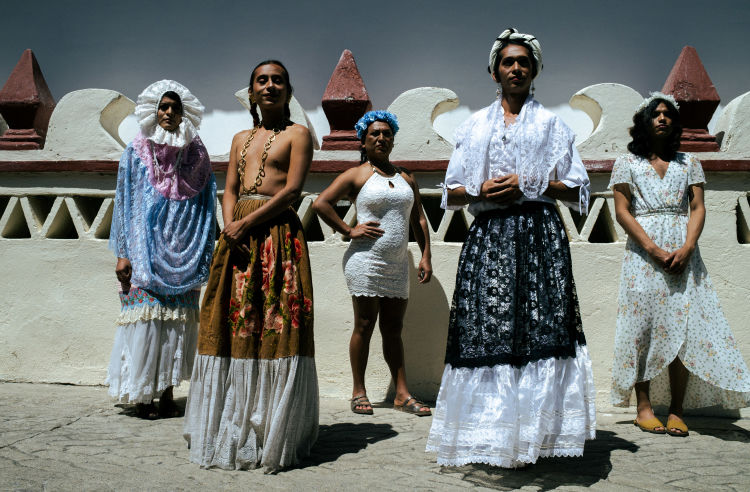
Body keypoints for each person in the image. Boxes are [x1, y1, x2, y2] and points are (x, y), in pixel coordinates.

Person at [426, 28, 596, 468]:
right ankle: (491, 436)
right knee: (488, 330)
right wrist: (480, 188)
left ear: (534, 69)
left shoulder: (552, 126)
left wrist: (530, 182)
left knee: (539, 329)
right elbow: (451, 190)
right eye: (508, 62)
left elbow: (577, 188)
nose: (516, 68)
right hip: (489, 237)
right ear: (494, 71)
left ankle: (538, 436)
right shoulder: (473, 126)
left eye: (523, 62)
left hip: (540, 237)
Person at [183, 60, 318, 473]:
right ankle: (234, 425)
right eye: (263, 80)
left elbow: (293, 190)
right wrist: (230, 226)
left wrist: (246, 222)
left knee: (276, 326)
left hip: (277, 236)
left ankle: (274, 432)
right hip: (238, 240)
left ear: (288, 90)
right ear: (252, 91)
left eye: (278, 80)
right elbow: (228, 189)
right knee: (231, 324)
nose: (271, 86)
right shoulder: (241, 136)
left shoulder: (299, 134)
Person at [610, 92, 750, 437]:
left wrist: (688, 247)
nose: (661, 118)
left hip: (684, 253)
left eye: (667, 114)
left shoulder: (690, 163)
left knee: (680, 329)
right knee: (641, 327)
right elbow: (622, 211)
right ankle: (643, 407)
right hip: (643, 255)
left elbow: (698, 207)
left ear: (675, 123)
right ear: (645, 122)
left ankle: (676, 408)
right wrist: (653, 250)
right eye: (655, 113)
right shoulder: (627, 163)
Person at [107, 80, 216, 419]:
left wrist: (202, 248)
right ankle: (143, 396)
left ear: (185, 113)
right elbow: (124, 203)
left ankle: (168, 392)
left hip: (183, 251)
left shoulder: (196, 153)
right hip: (144, 253)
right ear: (154, 110)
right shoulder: (136, 150)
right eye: (164, 107)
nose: (169, 112)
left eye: (176, 107)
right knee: (147, 324)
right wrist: (123, 252)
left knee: (178, 326)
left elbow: (206, 205)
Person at [312, 110, 433, 416]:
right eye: (374, 134)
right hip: (365, 260)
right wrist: (349, 230)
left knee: (394, 328)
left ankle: (401, 394)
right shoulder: (357, 175)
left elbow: (418, 218)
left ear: (393, 139)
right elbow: (320, 203)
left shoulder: (406, 177)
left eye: (386, 133)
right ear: (363, 142)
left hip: (396, 263)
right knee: (365, 324)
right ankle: (358, 391)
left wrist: (426, 255)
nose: (381, 138)